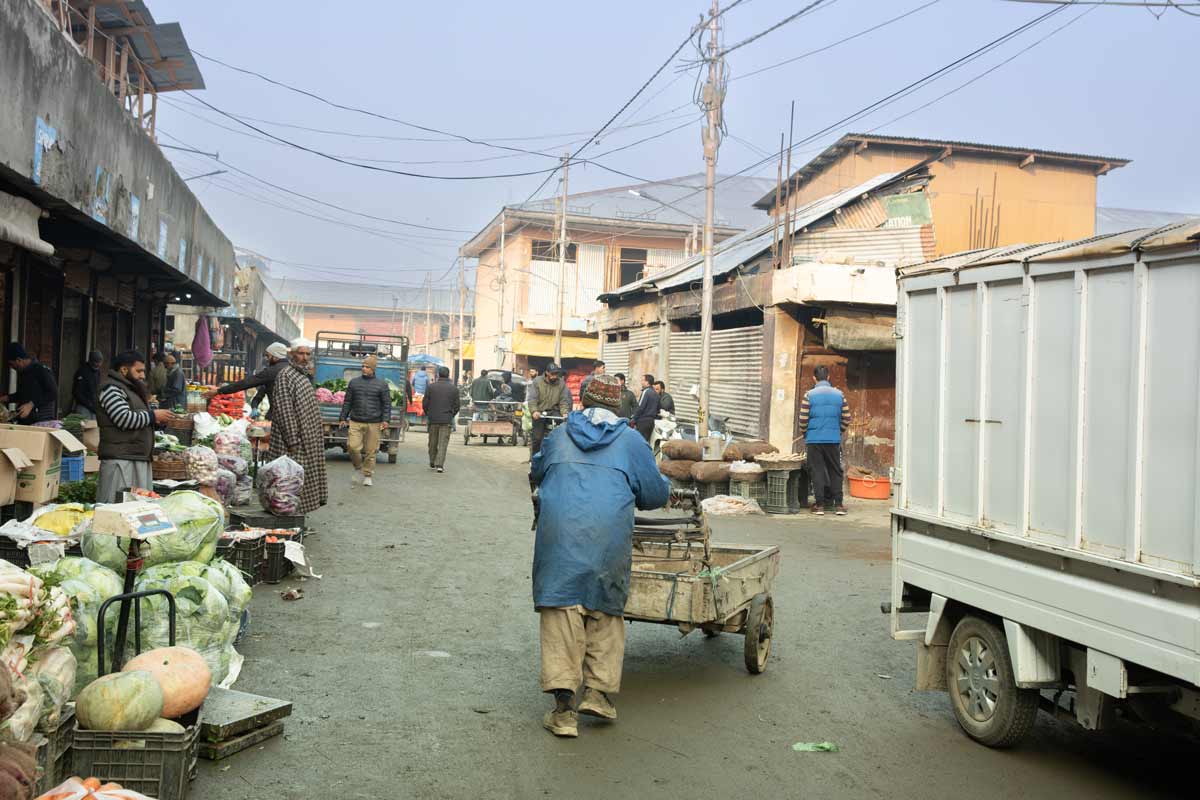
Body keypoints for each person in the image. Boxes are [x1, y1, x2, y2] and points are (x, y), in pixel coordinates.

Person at [531, 374, 670, 738]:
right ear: (616, 405)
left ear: (582, 401)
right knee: (606, 610)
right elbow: (655, 495)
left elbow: (536, 471)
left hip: (559, 541)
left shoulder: (559, 435)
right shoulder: (631, 441)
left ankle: (563, 712)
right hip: (608, 542)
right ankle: (597, 694)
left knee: (562, 611)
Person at [97, 350, 173, 503]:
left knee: (136, 509)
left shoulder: (129, 388)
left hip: (134, 457)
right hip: (121, 460)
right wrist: (153, 416)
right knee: (116, 506)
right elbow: (123, 418)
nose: (143, 376)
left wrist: (153, 420)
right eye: (139, 371)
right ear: (124, 370)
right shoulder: (111, 389)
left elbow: (134, 417)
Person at [266, 340, 328, 514]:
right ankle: (286, 516)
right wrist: (292, 440)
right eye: (301, 353)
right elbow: (285, 409)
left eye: (308, 354)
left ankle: (297, 515)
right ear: (291, 354)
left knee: (301, 480)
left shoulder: (302, 376)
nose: (305, 357)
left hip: (307, 438)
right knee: (288, 482)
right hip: (293, 440)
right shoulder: (286, 375)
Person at [799, 365, 851, 516]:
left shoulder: (809, 395)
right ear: (828, 377)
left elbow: (803, 420)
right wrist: (838, 431)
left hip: (814, 440)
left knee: (817, 471)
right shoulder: (839, 395)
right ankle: (839, 505)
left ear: (814, 378)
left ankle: (820, 505)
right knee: (835, 470)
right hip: (833, 440)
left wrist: (806, 433)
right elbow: (847, 418)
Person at [339, 355, 391, 487]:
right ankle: (358, 466)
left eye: (367, 367)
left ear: (373, 369)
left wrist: (386, 420)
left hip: (374, 422)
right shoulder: (354, 382)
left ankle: (368, 475)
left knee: (371, 451)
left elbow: (386, 404)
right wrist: (342, 417)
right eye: (363, 366)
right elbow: (348, 401)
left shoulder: (382, 385)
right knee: (352, 446)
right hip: (356, 421)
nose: (364, 368)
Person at [205, 342, 290, 418]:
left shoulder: (271, 371)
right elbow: (261, 393)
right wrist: (254, 407)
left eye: (268, 356)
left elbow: (246, 383)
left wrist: (219, 391)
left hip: (278, 416)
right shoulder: (293, 369)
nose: (266, 359)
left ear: (275, 356)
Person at [1, 343, 58, 424]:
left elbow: (53, 393)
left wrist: (31, 404)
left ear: (19, 360)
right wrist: (6, 398)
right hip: (25, 420)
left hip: (41, 420)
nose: (12, 367)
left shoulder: (41, 370)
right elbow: (22, 395)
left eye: (12, 364)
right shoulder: (23, 373)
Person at [527, 363, 571, 456]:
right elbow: (532, 399)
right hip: (540, 412)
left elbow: (563, 400)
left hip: (554, 411)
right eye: (552, 374)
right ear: (547, 373)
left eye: (556, 374)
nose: (555, 376)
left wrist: (565, 413)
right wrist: (534, 411)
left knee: (562, 434)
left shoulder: (561, 383)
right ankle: (534, 460)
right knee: (537, 439)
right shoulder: (537, 382)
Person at [423, 366, 460, 473]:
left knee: (432, 442)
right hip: (446, 420)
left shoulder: (431, 387)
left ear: (438, 374)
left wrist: (429, 413)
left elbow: (425, 403)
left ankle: (432, 461)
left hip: (433, 419)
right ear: (448, 375)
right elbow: (457, 406)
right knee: (443, 443)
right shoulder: (454, 389)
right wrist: (451, 415)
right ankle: (439, 465)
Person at [71, 350, 104, 419]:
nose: (98, 364)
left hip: (93, 405)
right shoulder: (82, 371)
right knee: (84, 426)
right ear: (91, 361)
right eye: (96, 362)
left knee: (93, 426)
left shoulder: (97, 372)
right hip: (83, 406)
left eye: (100, 362)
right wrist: (88, 404)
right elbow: (77, 392)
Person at [629, 374, 660, 443]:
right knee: (645, 442)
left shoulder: (646, 391)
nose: (641, 382)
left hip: (642, 422)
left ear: (647, 382)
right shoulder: (656, 393)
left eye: (643, 380)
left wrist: (633, 419)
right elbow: (658, 409)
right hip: (651, 422)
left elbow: (640, 407)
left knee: (638, 442)